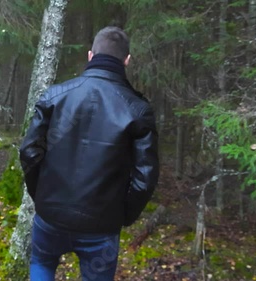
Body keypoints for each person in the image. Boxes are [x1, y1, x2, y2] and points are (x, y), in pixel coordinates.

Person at [19, 26, 160, 281]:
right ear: (126, 60)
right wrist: (124, 215)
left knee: (41, 263)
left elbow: (29, 152)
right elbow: (145, 176)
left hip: (50, 216)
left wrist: (41, 196)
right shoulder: (137, 110)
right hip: (101, 226)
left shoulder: (54, 96)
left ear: (90, 55)